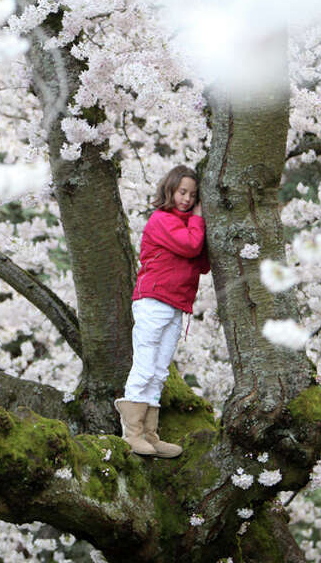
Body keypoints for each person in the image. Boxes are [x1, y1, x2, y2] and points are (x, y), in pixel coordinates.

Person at [115, 164, 210, 458]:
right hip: (154, 300)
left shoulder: (186, 224)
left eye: (193, 196)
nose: (186, 199)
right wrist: (198, 220)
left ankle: (150, 436)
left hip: (176, 305)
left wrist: (197, 224)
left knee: (159, 372)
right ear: (169, 190)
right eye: (182, 192)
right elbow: (192, 247)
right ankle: (132, 434)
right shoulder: (162, 220)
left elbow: (203, 263)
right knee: (144, 365)